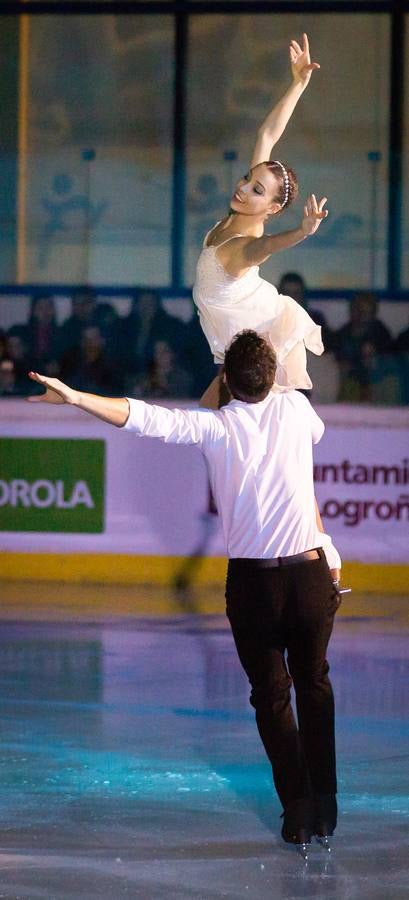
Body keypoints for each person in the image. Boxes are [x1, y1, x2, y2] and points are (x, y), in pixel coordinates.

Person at [28, 329, 342, 857]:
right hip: (310, 576)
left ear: (223, 380)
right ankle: (325, 802)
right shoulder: (295, 412)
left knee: (271, 696)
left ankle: (297, 810)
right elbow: (287, 394)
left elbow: (141, 415)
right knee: (314, 683)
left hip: (253, 586)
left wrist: (77, 396)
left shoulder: (212, 427)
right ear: (271, 379)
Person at [193, 33, 327, 409]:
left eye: (256, 190)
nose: (242, 188)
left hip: (258, 334)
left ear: (271, 208)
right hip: (237, 334)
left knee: (221, 421)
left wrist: (302, 231)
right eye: (247, 179)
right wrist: (298, 83)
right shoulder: (239, 213)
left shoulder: (245, 243)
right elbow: (267, 134)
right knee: (210, 422)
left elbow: (266, 247)